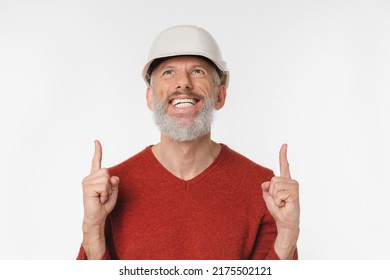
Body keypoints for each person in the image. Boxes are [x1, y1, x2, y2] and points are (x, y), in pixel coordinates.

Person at [77, 25, 300, 260]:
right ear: (150, 98)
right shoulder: (111, 190)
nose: (183, 83)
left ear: (220, 96)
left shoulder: (262, 188)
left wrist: (287, 236)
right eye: (168, 73)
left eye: (197, 72)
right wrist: (92, 228)